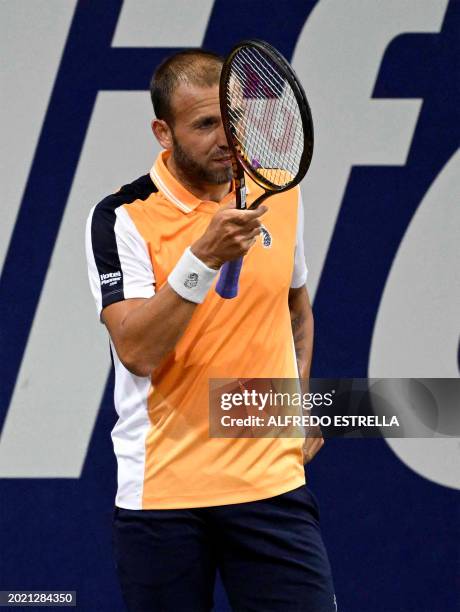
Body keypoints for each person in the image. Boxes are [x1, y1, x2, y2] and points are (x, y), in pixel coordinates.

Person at [85, 49, 336, 612]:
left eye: (234, 119)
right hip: (164, 496)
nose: (227, 137)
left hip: (270, 486)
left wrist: (294, 400)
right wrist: (202, 259)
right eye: (204, 124)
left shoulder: (279, 191)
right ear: (163, 132)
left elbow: (296, 309)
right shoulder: (122, 217)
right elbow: (137, 351)